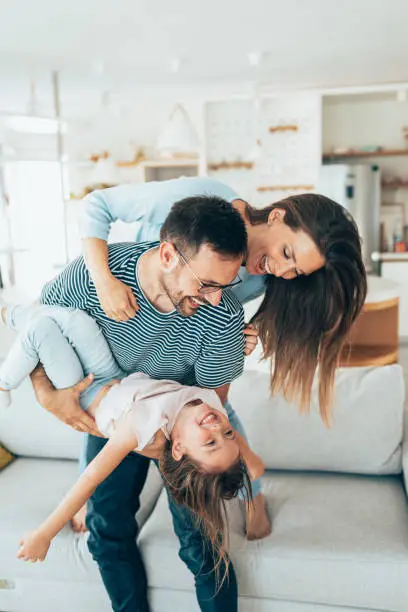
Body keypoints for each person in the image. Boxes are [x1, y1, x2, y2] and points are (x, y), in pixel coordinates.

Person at [28, 195, 258, 612]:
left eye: (226, 285)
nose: (214, 299)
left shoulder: (224, 317)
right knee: (106, 530)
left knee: (201, 544)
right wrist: (47, 396)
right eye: (206, 284)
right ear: (168, 254)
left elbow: (211, 405)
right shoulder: (95, 277)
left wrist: (185, 443)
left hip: (182, 427)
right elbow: (36, 327)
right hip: (118, 416)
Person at [80, 177, 367, 424]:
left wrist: (232, 339)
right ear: (276, 216)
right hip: (119, 356)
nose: (280, 271)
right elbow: (98, 205)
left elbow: (202, 318)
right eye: (287, 253)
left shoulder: (262, 280)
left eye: (296, 271)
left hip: (174, 381)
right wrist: (104, 282)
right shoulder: (206, 200)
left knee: (229, 476)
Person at [16, 360, 260, 572]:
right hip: (120, 375)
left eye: (210, 442)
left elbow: (91, 477)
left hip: (91, 385)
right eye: (228, 433)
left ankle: (14, 318)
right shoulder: (209, 405)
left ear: (178, 449)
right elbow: (228, 439)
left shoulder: (143, 423)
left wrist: (45, 534)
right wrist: (250, 459)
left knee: (48, 330)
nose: (218, 428)